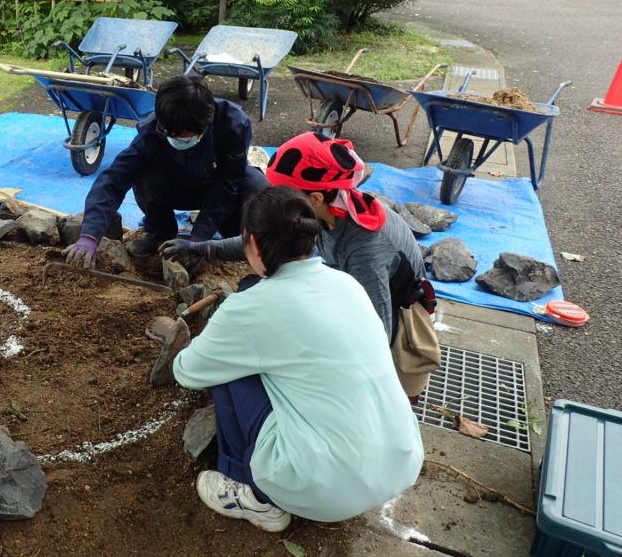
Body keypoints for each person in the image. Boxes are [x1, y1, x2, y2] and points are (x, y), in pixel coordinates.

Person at [172, 185, 424, 532]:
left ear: (253, 244)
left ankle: (251, 494)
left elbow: (188, 370)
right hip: (399, 462)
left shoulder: (248, 308)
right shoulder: (348, 284)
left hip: (322, 487)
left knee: (228, 372)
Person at [161, 131, 432, 397]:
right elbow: (261, 240)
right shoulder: (327, 210)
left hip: (395, 321)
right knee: (255, 287)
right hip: (349, 294)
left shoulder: (366, 248)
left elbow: (375, 338)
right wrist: (202, 248)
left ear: (314, 198)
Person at [63, 75, 268, 268]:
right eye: (170, 133)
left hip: (214, 185)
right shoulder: (154, 130)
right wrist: (89, 236)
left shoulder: (233, 123)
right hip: (175, 187)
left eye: (183, 135)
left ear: (204, 127)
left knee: (256, 185)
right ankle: (160, 234)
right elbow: (113, 179)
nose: (175, 138)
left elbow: (228, 182)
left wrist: (199, 240)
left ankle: (240, 242)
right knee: (143, 174)